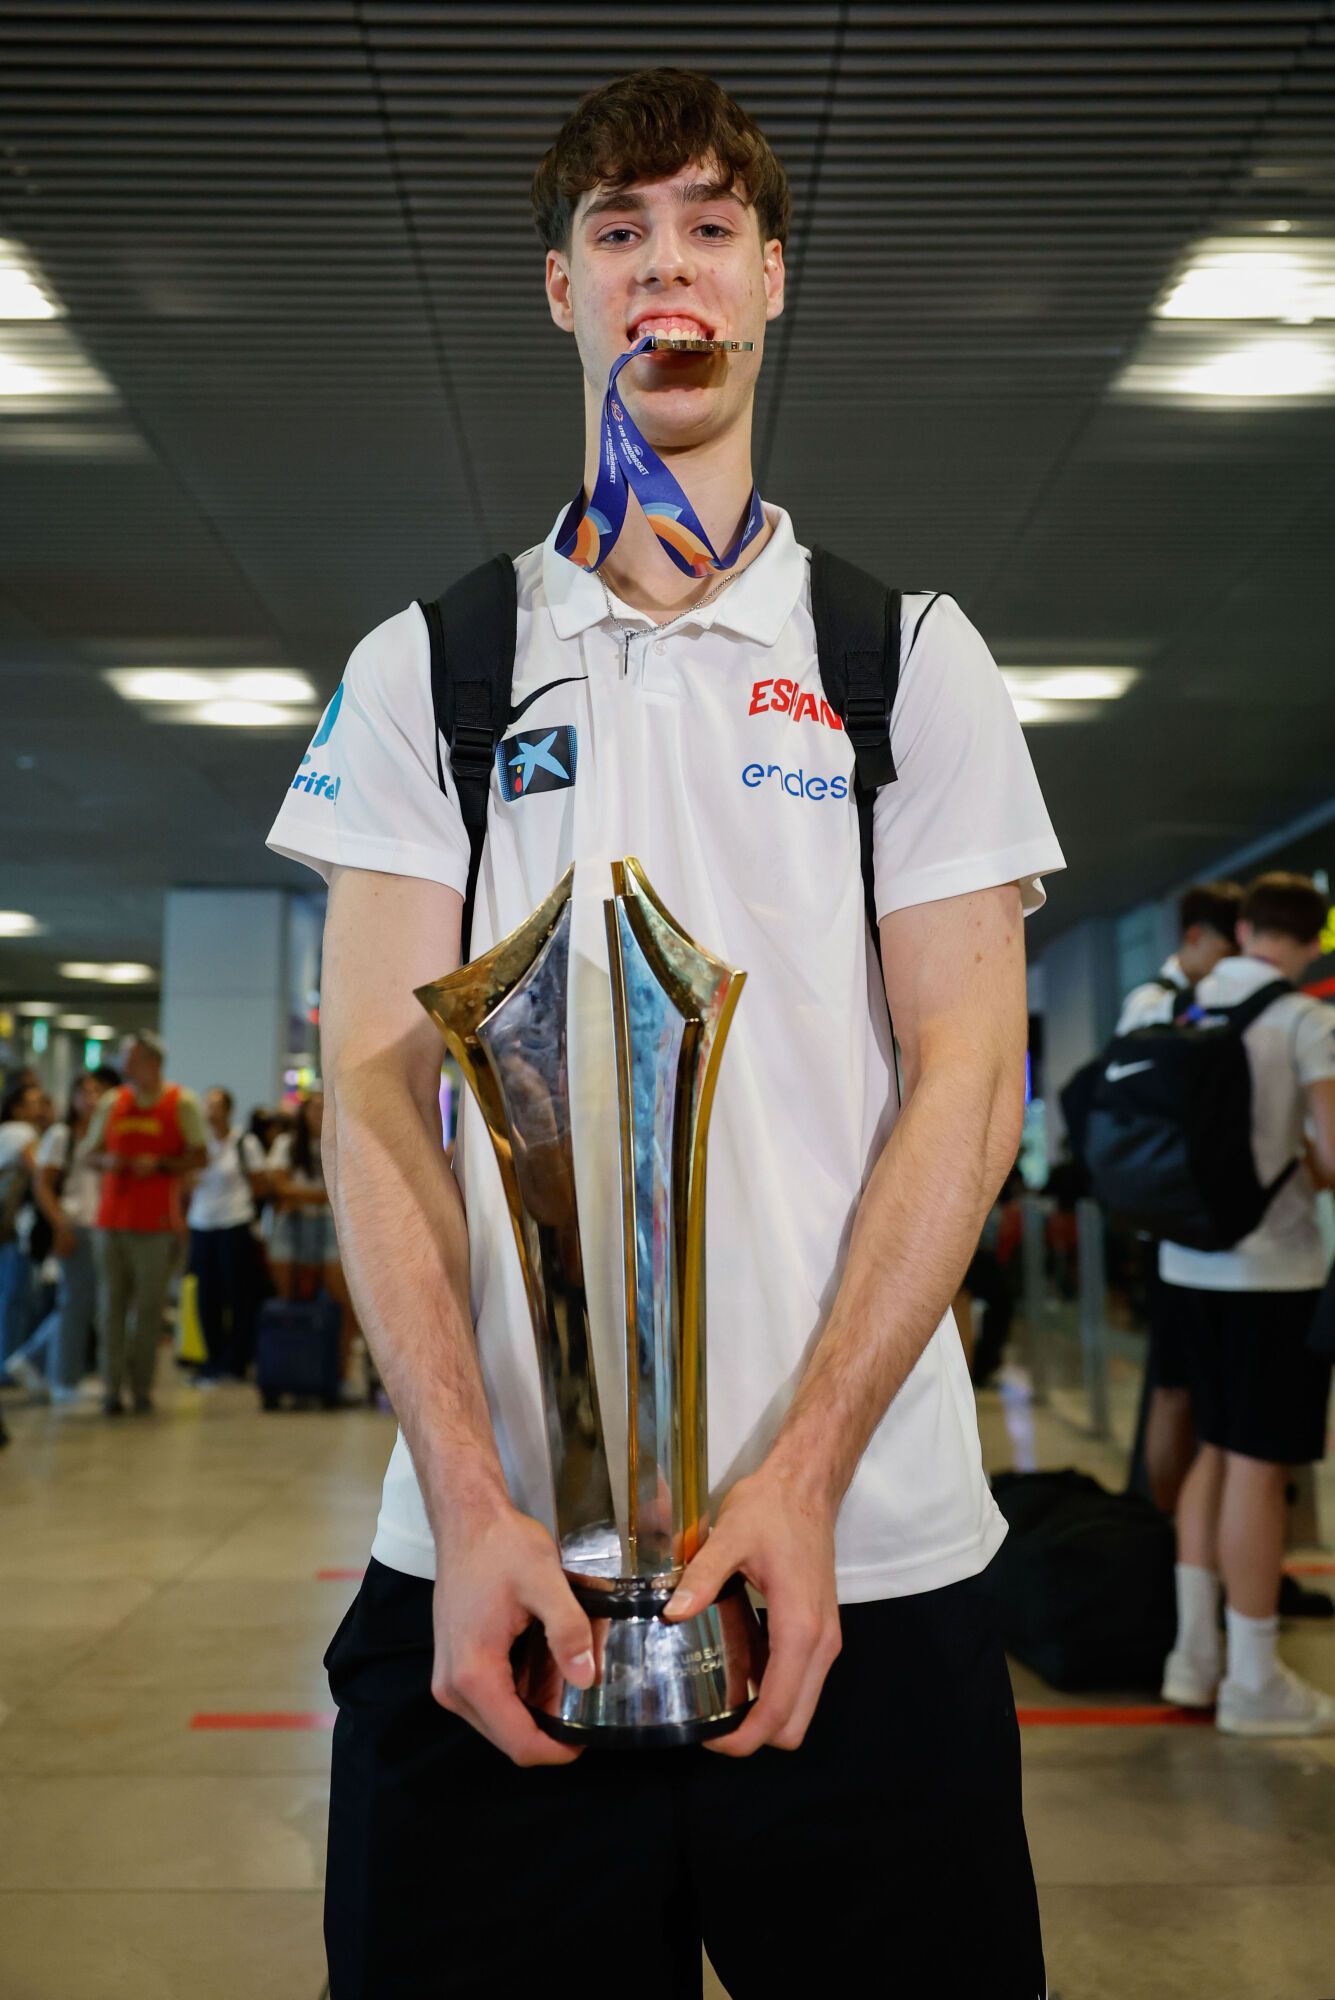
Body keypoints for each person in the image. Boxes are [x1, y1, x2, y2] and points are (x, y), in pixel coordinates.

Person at [268, 70, 1064, 1998]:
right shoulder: (433, 672)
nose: (665, 269)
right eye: (619, 234)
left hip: (868, 1564)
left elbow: (969, 1081)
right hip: (498, 1578)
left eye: (710, 228)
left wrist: (804, 1478)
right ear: (564, 291)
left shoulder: (903, 662)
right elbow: (374, 1096)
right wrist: (470, 1503)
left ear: (771, 279)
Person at [1160, 872, 1335, 1735]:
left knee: (1214, 1454)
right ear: (1315, 937)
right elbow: (1333, 1156)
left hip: (1185, 1264)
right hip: (1271, 1275)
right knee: (1260, 1471)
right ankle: (1253, 1680)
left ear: (1242, 928)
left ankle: (1193, 1659)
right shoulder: (1303, 1020)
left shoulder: (1184, 1005)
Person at [1116, 881, 1244, 1512]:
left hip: (1210, 1226)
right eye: (1227, 949)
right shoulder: (1152, 1005)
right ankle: (1163, 1535)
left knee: (1210, 1395)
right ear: (1195, 937)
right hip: (1169, 1228)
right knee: (1172, 1389)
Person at [86, 1031, 207, 1415]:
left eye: (131, 1057)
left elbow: (200, 1155)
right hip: (111, 1222)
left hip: (156, 1224)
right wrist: (107, 1161)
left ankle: (141, 1387)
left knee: (149, 1309)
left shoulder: (181, 1103)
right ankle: (111, 1388)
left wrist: (161, 1165)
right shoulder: (113, 1102)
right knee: (111, 1307)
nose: (125, 1064)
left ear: (151, 1062)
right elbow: (89, 1153)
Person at [7, 1067, 117, 1399]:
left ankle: (34, 1360)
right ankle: (63, 1379)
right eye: (85, 1092)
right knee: (74, 1302)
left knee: (86, 1302)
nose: (92, 1098)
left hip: (102, 1225)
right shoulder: (61, 1135)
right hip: (74, 1224)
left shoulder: (105, 1134)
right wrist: (60, 1224)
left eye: (97, 1092)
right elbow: (42, 1184)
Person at [265, 1091, 357, 1379]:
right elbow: (281, 1187)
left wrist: (300, 1196)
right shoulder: (287, 1144)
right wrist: (321, 1196)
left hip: (328, 1226)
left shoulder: (340, 1141)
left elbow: (347, 1189)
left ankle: (338, 1374)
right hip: (291, 1226)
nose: (318, 1113)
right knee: (287, 1300)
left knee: (344, 1302)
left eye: (323, 1107)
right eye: (313, 1108)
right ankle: (289, 1370)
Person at [187, 1086, 267, 1382]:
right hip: (202, 1223)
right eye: (207, 1105)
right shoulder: (197, 1145)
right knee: (206, 1294)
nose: (211, 1111)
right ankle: (212, 1358)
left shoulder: (244, 1142)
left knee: (238, 1293)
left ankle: (237, 1360)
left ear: (229, 1110)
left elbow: (260, 1183)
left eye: (216, 1105)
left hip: (234, 1222)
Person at [0, 1078, 44, 1379]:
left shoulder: (5, 1131)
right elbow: (40, 1172)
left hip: (6, 1224)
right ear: (17, 1108)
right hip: (15, 1224)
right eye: (33, 1103)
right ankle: (9, 1364)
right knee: (16, 1296)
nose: (39, 1109)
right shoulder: (22, 1132)